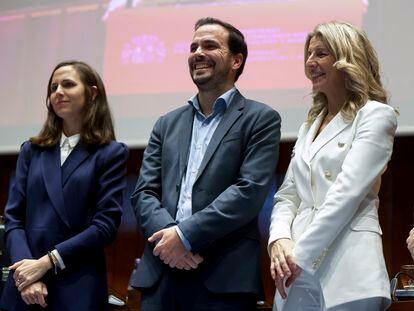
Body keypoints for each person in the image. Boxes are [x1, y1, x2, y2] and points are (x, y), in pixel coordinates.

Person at [130, 17, 281, 310]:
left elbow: (248, 192)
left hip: (223, 277)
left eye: (210, 45)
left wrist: (185, 236)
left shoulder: (261, 118)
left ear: (236, 60)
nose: (197, 52)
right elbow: (144, 193)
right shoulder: (166, 123)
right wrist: (170, 239)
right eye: (193, 46)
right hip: (161, 273)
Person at [268, 21, 397, 310]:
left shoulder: (376, 116)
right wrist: (279, 240)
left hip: (348, 273)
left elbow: (346, 195)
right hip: (295, 273)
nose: (310, 63)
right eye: (309, 55)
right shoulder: (309, 126)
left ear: (346, 58)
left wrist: (297, 258)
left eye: (321, 54)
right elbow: (287, 195)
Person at [0, 60, 129, 310]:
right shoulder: (32, 150)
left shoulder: (110, 153)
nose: (58, 91)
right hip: (24, 284)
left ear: (92, 93)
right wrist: (28, 272)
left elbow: (105, 226)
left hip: (77, 285)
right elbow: (13, 217)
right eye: (53, 87)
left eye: (68, 84)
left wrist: (47, 262)